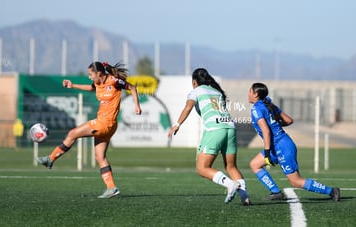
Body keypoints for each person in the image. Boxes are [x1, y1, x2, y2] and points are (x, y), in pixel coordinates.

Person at [37, 61, 142, 199]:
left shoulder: (114, 81)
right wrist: (72, 85)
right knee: (100, 157)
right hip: (107, 125)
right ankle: (111, 188)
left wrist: (137, 106)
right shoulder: (98, 83)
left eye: (90, 74)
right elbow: (91, 87)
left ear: (99, 73)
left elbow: (132, 87)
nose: (89, 77)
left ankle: (50, 159)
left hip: (104, 123)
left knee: (72, 133)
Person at [168, 68, 251, 205]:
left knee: (202, 168)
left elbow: (188, 108)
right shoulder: (217, 91)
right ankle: (245, 196)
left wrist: (177, 124)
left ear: (194, 82)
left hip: (215, 129)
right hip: (230, 127)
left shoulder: (196, 91)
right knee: (231, 167)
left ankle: (230, 184)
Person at [248, 82, 340, 201]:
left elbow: (266, 131)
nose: (248, 93)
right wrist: (275, 126)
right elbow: (289, 120)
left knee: (296, 181)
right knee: (255, 164)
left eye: (250, 91)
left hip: (282, 146)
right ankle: (276, 192)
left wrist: (266, 154)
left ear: (255, 94)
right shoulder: (268, 104)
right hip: (276, 145)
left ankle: (332, 191)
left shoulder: (256, 109)